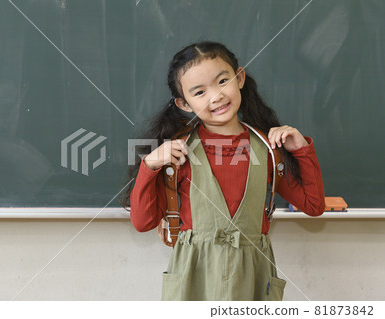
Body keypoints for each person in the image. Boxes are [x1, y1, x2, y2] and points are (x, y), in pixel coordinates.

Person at [121, 41, 325, 301]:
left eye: (222, 81)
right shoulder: (178, 153)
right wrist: (149, 165)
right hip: (195, 277)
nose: (216, 96)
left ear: (239, 78)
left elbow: (313, 204)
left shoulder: (267, 149)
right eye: (199, 92)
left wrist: (301, 149)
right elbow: (143, 222)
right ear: (184, 104)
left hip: (252, 276)